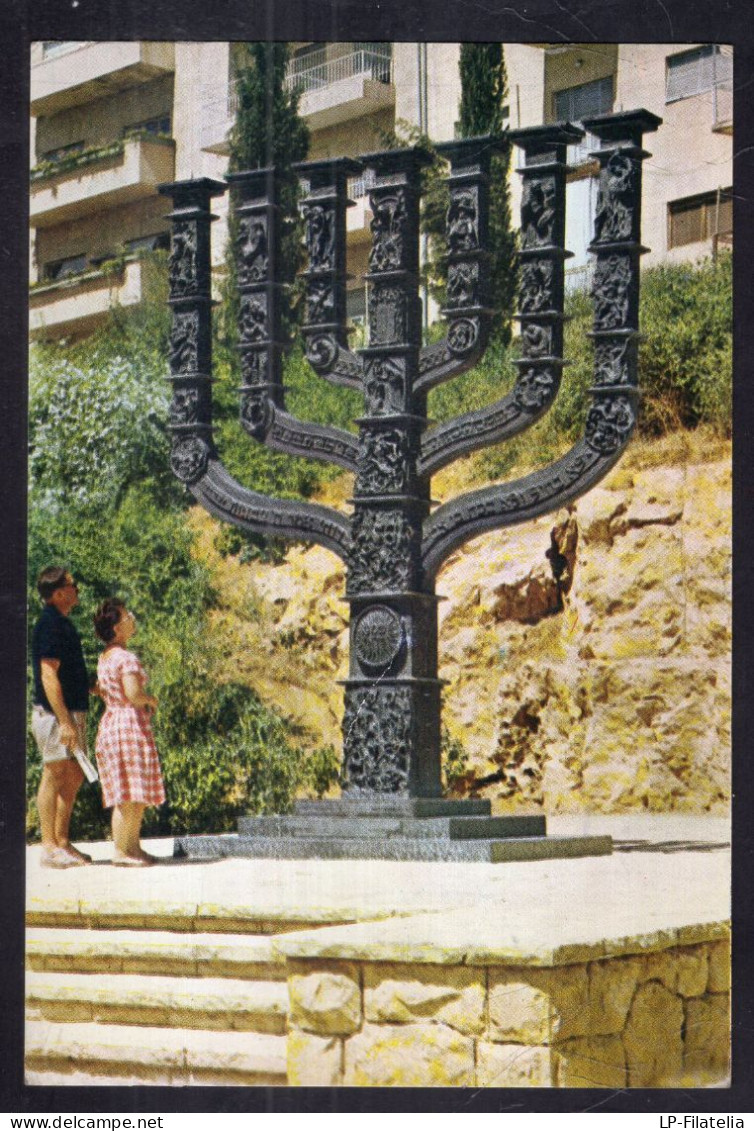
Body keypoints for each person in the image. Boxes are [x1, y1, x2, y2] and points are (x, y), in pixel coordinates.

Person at [93, 598, 165, 866]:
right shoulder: (126, 658)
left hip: (112, 723)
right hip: (128, 725)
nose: (132, 618)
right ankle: (123, 851)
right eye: (127, 616)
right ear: (116, 628)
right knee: (128, 794)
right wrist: (150, 700)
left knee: (131, 791)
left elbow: (101, 689)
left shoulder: (106, 657)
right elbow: (133, 694)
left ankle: (132, 848)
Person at [31, 566, 93, 868]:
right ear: (58, 593)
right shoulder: (50, 625)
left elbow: (71, 673)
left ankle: (62, 841)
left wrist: (97, 685)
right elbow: (48, 675)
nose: (77, 588)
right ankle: (49, 846)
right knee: (55, 772)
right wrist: (65, 721)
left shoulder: (63, 624)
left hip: (71, 711)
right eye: (72, 584)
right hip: (56, 715)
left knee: (75, 773)